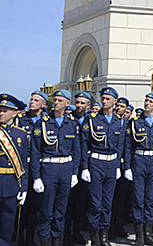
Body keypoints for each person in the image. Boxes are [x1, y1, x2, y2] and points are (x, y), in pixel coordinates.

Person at [31, 90, 81, 246]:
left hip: (66, 168)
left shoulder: (72, 123)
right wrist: (36, 177)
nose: (56, 103)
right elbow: (35, 151)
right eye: (55, 100)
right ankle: (45, 240)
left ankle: (57, 240)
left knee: (61, 209)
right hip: (48, 168)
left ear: (67, 103)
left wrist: (74, 173)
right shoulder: (43, 123)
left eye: (60, 100)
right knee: (46, 209)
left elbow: (76, 150)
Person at [80, 87, 125, 246]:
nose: (104, 101)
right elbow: (84, 144)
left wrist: (119, 165)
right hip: (96, 162)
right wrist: (85, 167)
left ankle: (104, 235)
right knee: (95, 202)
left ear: (115, 101)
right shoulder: (91, 119)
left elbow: (120, 145)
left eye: (107, 99)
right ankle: (94, 237)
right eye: (103, 98)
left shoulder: (119, 120)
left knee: (107, 201)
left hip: (112, 163)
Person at [124, 92, 153, 246]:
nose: (147, 103)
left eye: (151, 101)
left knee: (150, 199)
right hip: (139, 160)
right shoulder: (135, 122)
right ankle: (139, 235)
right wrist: (127, 167)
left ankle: (148, 233)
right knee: (138, 199)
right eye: (146, 100)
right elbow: (128, 146)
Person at [15, 90, 48, 245]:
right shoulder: (20, 120)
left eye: (36, 100)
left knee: (36, 204)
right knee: (22, 203)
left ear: (43, 104)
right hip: (23, 164)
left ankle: (30, 238)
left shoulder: (47, 121)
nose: (31, 102)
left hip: (40, 165)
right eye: (31, 99)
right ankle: (19, 236)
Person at [0, 94, 28, 246]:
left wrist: (23, 186)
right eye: (0, 110)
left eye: (5, 110)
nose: (1, 113)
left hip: (11, 183)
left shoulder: (21, 134)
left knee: (7, 222)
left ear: (14, 112)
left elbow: (23, 163)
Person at [65, 91, 92, 246]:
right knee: (68, 199)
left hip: (86, 164)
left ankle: (77, 231)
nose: (79, 105)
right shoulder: (69, 119)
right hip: (70, 164)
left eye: (83, 103)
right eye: (78, 102)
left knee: (81, 200)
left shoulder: (92, 120)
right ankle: (66, 232)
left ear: (88, 105)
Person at [109, 97, 132, 241]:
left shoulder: (129, 124)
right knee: (110, 198)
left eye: (122, 106)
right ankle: (109, 227)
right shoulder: (111, 122)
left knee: (121, 198)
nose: (118, 108)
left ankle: (118, 224)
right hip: (112, 164)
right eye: (117, 106)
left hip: (125, 164)